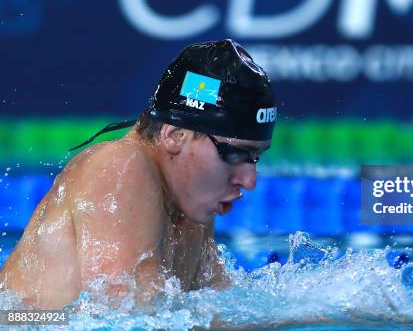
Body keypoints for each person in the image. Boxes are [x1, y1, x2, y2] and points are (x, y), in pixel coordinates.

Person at [0, 39, 276, 310]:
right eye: (234, 155)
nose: (249, 181)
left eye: (255, 158)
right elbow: (124, 319)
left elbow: (223, 310)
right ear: (176, 136)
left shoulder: (190, 203)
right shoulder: (119, 167)